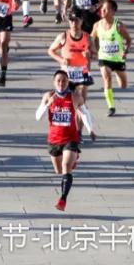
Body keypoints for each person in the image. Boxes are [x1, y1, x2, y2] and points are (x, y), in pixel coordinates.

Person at [35, 69, 97, 211]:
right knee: (58, 170)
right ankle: (72, 160)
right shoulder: (48, 96)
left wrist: (90, 130)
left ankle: (62, 199)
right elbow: (38, 117)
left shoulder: (75, 97)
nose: (61, 84)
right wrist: (47, 105)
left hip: (70, 138)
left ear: (68, 82)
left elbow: (85, 114)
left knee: (66, 167)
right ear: (54, 82)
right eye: (58, 81)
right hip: (54, 139)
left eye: (64, 81)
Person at [93, 0, 132, 117]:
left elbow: (129, 40)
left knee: (123, 85)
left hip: (118, 59)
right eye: (102, 9)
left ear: (113, 11)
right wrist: (94, 50)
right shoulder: (97, 25)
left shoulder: (118, 25)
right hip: (104, 57)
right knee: (107, 78)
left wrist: (126, 51)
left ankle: (116, 72)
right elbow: (92, 38)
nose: (102, 11)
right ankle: (111, 106)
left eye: (105, 9)